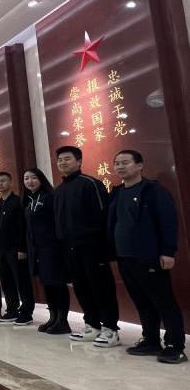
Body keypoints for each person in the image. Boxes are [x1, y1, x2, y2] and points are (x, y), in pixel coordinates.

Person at [110, 150, 185, 363]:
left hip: (148, 255)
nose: (120, 167)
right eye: (117, 163)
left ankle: (175, 345)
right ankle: (151, 340)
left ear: (140, 165)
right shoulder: (117, 192)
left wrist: (168, 251)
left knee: (163, 301)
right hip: (124, 256)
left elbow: (168, 221)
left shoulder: (153, 190)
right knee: (141, 301)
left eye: (125, 162)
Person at [53, 146, 120, 347]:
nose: (62, 163)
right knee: (81, 287)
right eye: (60, 160)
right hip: (69, 248)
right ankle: (92, 325)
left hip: (93, 246)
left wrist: (104, 248)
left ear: (79, 161)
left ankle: (110, 329)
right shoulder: (59, 190)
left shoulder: (90, 184)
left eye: (67, 159)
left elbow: (104, 217)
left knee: (101, 287)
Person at [22, 168, 71, 335]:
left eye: (33, 178)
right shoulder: (29, 200)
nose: (30, 181)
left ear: (41, 179)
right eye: (26, 178)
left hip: (52, 248)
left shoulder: (49, 197)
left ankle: (63, 321)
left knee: (57, 283)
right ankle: (53, 317)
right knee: (47, 284)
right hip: (37, 249)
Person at [0, 172, 35, 325]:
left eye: (3, 181)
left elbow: (23, 227)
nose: (0, 184)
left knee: (22, 281)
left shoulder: (18, 202)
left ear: (10, 182)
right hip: (1, 250)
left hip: (16, 249)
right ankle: (12, 310)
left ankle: (27, 312)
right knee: (6, 281)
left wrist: (22, 248)